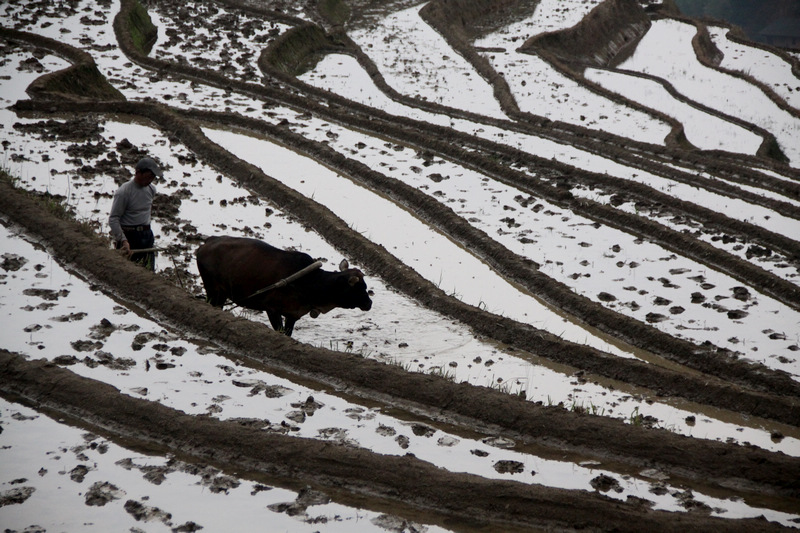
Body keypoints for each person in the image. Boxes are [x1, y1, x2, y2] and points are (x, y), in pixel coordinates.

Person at [108, 157, 162, 271]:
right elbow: (114, 218)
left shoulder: (151, 189)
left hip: (146, 236)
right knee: (128, 273)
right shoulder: (124, 192)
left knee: (149, 273)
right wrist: (123, 240)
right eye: (148, 177)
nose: (150, 180)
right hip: (130, 237)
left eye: (152, 178)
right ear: (138, 173)